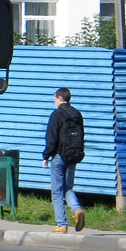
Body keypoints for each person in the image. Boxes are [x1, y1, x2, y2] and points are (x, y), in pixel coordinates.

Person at [42, 87, 86, 233]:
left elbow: (52, 137)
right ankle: (77, 210)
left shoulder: (56, 114)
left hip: (59, 156)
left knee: (57, 191)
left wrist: (46, 156)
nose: (54, 101)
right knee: (68, 188)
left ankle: (62, 224)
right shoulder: (77, 114)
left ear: (60, 98)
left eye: (55, 98)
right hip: (73, 155)